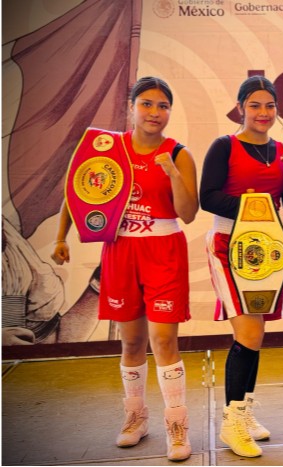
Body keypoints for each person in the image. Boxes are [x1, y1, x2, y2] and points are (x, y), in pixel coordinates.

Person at [52, 76, 199, 461]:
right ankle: (135, 417)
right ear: (131, 107)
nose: (155, 112)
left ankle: (177, 425)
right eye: (146, 104)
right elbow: (78, 190)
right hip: (120, 251)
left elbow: (188, 213)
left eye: (163, 106)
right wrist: (61, 237)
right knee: (131, 342)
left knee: (163, 340)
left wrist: (172, 173)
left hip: (163, 251)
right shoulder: (108, 148)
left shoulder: (178, 153)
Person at [200, 75, 283, 458]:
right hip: (228, 245)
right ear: (241, 108)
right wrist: (254, 205)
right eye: (255, 105)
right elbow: (208, 197)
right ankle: (232, 422)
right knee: (248, 330)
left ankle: (243, 412)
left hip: (268, 248)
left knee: (256, 333)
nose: (263, 112)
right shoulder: (224, 146)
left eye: (270, 105)